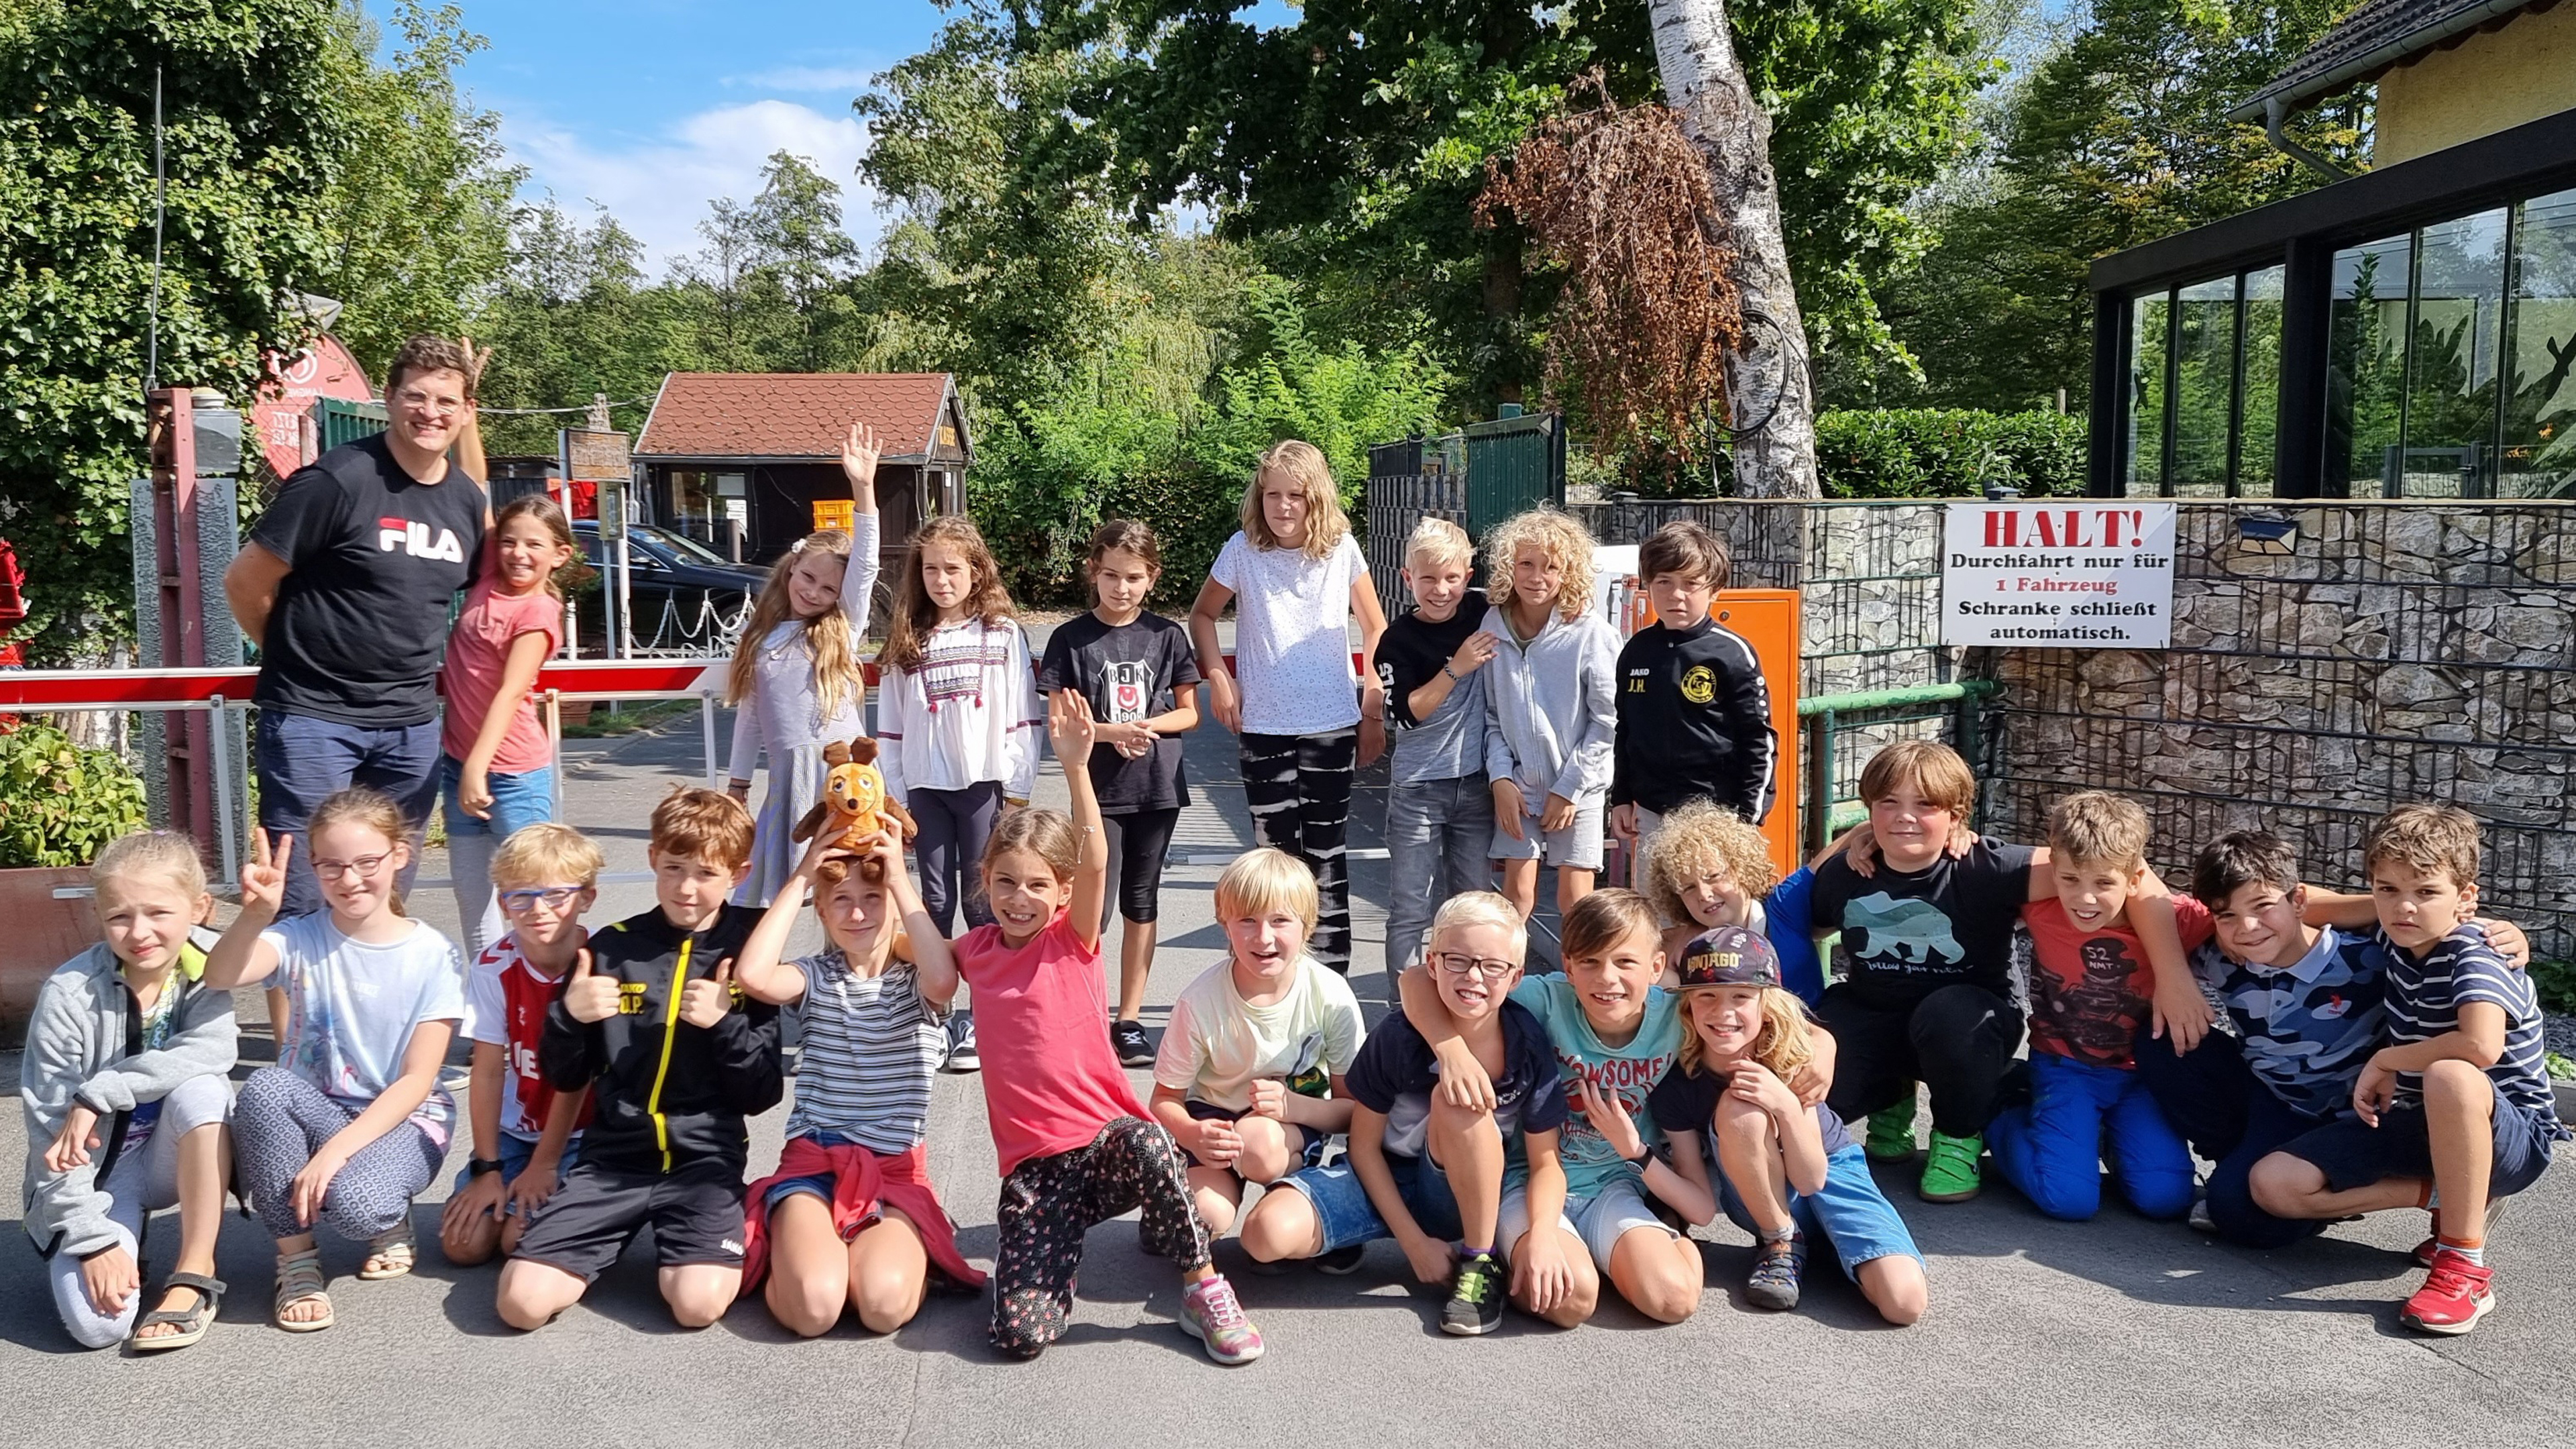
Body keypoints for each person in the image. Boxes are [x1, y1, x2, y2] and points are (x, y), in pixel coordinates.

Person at [957, 688, 1265, 1364]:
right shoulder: (973, 954)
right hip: (1039, 1176)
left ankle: (1201, 1285)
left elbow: (1096, 861)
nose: (1019, 899)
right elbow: (913, 948)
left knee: (1149, 1145)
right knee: (1019, 1335)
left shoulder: (1074, 941)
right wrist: (889, 871)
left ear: (1063, 894)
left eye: (1037, 885)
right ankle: (1064, 1256)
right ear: (985, 882)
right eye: (1005, 883)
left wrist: (1075, 766)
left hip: (1106, 1148)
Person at [1810, 741, 2203, 1203]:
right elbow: (1801, 916)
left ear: (1957, 816)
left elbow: (2118, 868)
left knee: (1953, 1015)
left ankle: (1960, 1133)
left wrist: (2174, 978)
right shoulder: (1850, 868)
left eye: (1926, 805)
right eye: (1888, 803)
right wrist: (1854, 835)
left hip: (1966, 1023)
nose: (1904, 817)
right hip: (1877, 1013)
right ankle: (1891, 1095)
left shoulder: (1986, 867)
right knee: (1816, 1092)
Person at [2248, 804, 2566, 1336]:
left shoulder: (2477, 953)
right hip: (2427, 1126)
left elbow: (2480, 1047)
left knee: (2452, 1073)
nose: (2405, 906)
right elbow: (2306, 905)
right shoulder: (2393, 936)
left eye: (2426, 892)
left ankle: (2464, 1268)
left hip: (2511, 1138)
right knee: (2274, 1186)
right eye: (2388, 889)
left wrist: (2389, 1058)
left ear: (2466, 898)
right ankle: (2452, 1196)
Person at [224, 334, 491, 921]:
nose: (430, 412)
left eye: (448, 402)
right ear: (390, 398)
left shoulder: (465, 504)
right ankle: (296, 1017)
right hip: (314, 719)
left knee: (386, 896)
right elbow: (245, 583)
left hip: (410, 727)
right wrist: (287, 653)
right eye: (416, 396)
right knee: (302, 894)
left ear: (467, 412)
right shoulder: (339, 480)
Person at [497, 788, 782, 1332]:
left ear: (738, 874)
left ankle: (718, 1228)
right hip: (611, 1163)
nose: (686, 888)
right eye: (673, 868)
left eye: (705, 873)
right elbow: (564, 1075)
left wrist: (725, 1025)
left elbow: (762, 1094)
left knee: (697, 1306)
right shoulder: (611, 947)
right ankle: (617, 1230)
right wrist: (570, 1018)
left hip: (705, 1165)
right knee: (521, 1304)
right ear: (652, 859)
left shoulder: (747, 954)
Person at [1240, 891, 1569, 1337]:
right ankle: (1350, 1237)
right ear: (1432, 964)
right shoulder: (1398, 1036)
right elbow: (1363, 1146)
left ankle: (1479, 1259)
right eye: (1457, 960)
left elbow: (1546, 1161)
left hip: (1464, 1192)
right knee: (1263, 1236)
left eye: (1492, 966)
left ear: (1515, 979)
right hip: (1387, 1179)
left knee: (1458, 1102)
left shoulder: (1526, 1043)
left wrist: (1544, 1233)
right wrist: (1413, 1245)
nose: (1474, 977)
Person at [205, 789, 466, 1332]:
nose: (350, 881)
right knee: (264, 1089)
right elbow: (220, 975)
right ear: (314, 866)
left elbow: (419, 1078)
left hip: (404, 1117)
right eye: (332, 867)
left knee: (358, 1205)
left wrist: (335, 1154)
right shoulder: (297, 938)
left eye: (366, 862)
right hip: (317, 1109)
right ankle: (297, 1261)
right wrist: (254, 916)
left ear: (400, 854)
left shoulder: (433, 954)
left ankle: (388, 1219)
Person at [1403, 888, 1702, 1326]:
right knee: (1571, 1303)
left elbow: (1755, 1014)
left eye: (1625, 962)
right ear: (1567, 967)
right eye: (1590, 962)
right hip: (1528, 1180)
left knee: (1673, 1300)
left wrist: (1822, 1048)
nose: (1607, 978)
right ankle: (1509, 1257)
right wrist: (1451, 1052)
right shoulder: (1546, 999)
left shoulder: (1677, 1016)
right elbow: (1414, 979)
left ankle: (1654, 1243)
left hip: (1611, 1184)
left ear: (1657, 967)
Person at [733, 826, 985, 1337]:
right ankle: (805, 1253)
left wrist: (897, 877)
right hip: (814, 1161)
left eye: (871, 899)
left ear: (892, 904)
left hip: (895, 1172)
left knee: (882, 1307)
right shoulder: (815, 975)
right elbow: (754, 976)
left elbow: (945, 980)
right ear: (821, 912)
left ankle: (888, 1253)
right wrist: (803, 876)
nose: (857, 913)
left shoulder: (918, 982)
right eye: (841, 902)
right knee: (813, 1310)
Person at [1644, 926, 1927, 1323]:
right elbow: (1697, 1186)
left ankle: (1825, 1244)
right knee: (1741, 1106)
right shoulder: (1678, 1083)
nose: (1723, 1013)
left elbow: (1813, 1179)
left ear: (1767, 1004)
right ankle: (1781, 1241)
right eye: (1706, 996)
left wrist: (1786, 1105)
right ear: (1688, 1006)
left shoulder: (1791, 1057)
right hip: (1761, 1196)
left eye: (1741, 997)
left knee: (1904, 1303)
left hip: (1830, 1171)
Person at [21, 831, 236, 1350]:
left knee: (204, 1090)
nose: (139, 932)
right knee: (99, 1328)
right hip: (97, 1176)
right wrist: (93, 1242)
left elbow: (213, 1050)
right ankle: (122, 1238)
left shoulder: (213, 966)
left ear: (200, 908)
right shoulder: (69, 995)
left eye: (159, 912)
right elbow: (52, 1136)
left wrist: (102, 1091)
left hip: (169, 1158)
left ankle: (194, 1269)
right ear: (100, 916)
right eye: (119, 916)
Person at [1189, 439, 1389, 974]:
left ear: (1315, 497)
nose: (1282, 506)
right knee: (1274, 861)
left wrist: (1372, 707)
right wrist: (1219, 679)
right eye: (1272, 494)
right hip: (1264, 726)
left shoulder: (1341, 547)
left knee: (1325, 855)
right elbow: (1203, 616)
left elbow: (1376, 628)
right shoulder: (1242, 550)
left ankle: (1330, 979)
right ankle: (1273, 973)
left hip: (1331, 725)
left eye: (1295, 495)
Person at [1983, 792, 2206, 1222]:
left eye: (2104, 883)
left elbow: (2275, 908)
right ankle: (2001, 1110)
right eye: (2070, 880)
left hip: (2141, 1075)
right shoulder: (2038, 903)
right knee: (2068, 1200)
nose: (2085, 899)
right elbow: (1956, 860)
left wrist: (2372, 905)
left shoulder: (2177, 918)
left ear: (2135, 878)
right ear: (2054, 871)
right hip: (2065, 1067)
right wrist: (1865, 835)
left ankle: (2101, 1139)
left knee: (2166, 1199)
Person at [877, 512, 1043, 1072]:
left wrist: (1017, 790)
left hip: (981, 786)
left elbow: (1023, 716)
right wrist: (895, 796)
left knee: (980, 902)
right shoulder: (910, 639)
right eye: (930, 570)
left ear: (976, 571)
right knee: (934, 900)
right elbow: (891, 728)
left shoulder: (999, 635)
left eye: (952, 568)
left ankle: (984, 1013)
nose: (941, 580)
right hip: (925, 788)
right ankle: (930, 1010)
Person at [1036, 519, 1202, 1066]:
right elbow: (1061, 722)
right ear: (1094, 571)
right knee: (1090, 908)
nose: (1121, 587)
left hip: (1156, 789)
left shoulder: (1167, 635)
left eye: (1133, 578)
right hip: (1096, 791)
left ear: (1151, 578)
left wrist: (1147, 728)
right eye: (1111, 575)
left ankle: (1128, 1020)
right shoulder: (1069, 639)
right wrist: (1112, 734)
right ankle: (1082, 1009)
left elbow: (1189, 713)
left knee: (1141, 901)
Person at [1150, 848, 1366, 1238]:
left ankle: (1299, 1190)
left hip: (1291, 1126)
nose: (1263, 937)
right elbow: (1164, 1100)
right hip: (1212, 1124)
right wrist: (1191, 1135)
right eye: (1247, 920)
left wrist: (1294, 1106)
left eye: (1280, 921)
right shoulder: (1199, 1001)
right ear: (1225, 924)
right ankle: (1180, 1194)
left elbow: (1354, 1110)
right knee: (1204, 1220)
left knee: (1260, 1147)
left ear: (1308, 924)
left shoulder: (1331, 995)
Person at [725, 423, 885, 907]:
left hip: (843, 778)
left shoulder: (841, 626)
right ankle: (759, 977)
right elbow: (751, 718)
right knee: (774, 894)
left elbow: (866, 567)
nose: (814, 592)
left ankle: (850, 972)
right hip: (787, 778)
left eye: (828, 589)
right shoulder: (760, 639)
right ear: (792, 567)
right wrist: (737, 786)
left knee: (851, 890)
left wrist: (863, 489)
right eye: (809, 578)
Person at [438, 824, 601, 1268]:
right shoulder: (494, 967)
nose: (537, 909)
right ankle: (509, 1183)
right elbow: (489, 1072)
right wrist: (487, 1168)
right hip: (516, 1133)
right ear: (503, 903)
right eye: (519, 896)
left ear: (587, 897)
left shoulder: (607, 962)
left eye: (555, 895)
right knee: (464, 1246)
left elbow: (582, 1076)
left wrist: (546, 1165)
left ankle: (594, 1216)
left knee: (520, 1243)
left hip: (585, 1134)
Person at [437, 494, 574, 956]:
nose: (519, 553)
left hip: (512, 773)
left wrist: (477, 765)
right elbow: (477, 488)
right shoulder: (489, 579)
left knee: (535, 896)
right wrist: (467, 422)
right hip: (461, 765)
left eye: (534, 545)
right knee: (473, 898)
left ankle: (544, 1004)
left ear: (560, 554)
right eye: (509, 542)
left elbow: (512, 690)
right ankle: (492, 999)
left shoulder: (538, 612)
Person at [1477, 505, 1617, 924]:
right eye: (1526, 564)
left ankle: (1580, 986)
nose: (1537, 577)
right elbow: (1490, 716)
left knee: (1576, 903)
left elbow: (1608, 721)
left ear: (1568, 572)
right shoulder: (1492, 626)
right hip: (1519, 789)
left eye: (1551, 567)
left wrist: (1570, 788)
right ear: (1509, 566)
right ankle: (1505, 985)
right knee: (1515, 898)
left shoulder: (1591, 633)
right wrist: (1500, 778)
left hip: (1579, 788)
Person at [1371, 516, 1497, 979]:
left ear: (1468, 576)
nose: (1440, 590)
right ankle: (1404, 1016)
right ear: (1407, 578)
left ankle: (1471, 1001)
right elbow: (1405, 714)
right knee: (1410, 911)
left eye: (1451, 579)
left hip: (1477, 785)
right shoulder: (1396, 641)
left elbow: (1537, 599)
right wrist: (1456, 667)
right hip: (1419, 791)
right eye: (1428, 579)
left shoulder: (1486, 610)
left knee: (1474, 907)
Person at [1606, 520, 1775, 847]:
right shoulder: (1636, 650)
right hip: (1653, 816)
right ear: (1648, 586)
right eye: (1664, 582)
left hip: (1716, 815)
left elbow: (1759, 740)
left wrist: (1746, 820)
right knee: (1655, 900)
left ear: (1714, 590)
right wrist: (1622, 797)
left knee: (1713, 899)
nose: (1676, 595)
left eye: (1691, 583)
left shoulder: (1732, 653)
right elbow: (1625, 731)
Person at [1638, 800, 1822, 1004]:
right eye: (1689, 888)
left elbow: (1852, 836)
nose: (1704, 895)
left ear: (1742, 868)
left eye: (1714, 877)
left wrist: (1860, 842)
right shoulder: (1688, 949)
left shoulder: (1784, 904)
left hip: (1804, 1029)